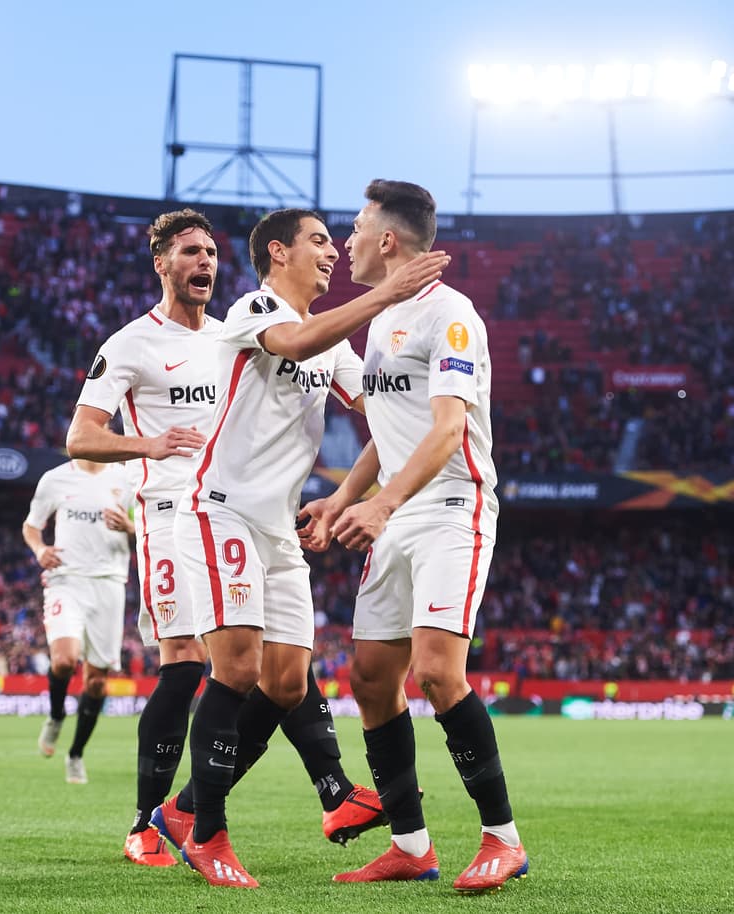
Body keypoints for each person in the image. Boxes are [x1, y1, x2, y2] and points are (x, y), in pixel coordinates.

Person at [68, 208, 391, 870]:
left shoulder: (237, 332)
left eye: (211, 252)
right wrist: (151, 444)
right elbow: (80, 437)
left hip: (267, 518)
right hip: (183, 508)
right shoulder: (156, 337)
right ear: (162, 262)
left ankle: (275, 797)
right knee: (194, 661)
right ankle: (157, 823)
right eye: (191, 251)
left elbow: (370, 399)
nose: (205, 262)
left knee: (283, 673)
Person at [157, 207, 449, 887]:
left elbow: (387, 414)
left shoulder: (336, 348)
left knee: (287, 681)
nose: (331, 252)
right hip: (221, 512)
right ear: (278, 251)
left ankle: (184, 809)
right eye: (318, 240)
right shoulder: (253, 309)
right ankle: (209, 835)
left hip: (279, 529)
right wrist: (386, 293)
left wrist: (443, 403)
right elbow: (293, 342)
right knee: (236, 667)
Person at [300, 180, 528, 893]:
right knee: (371, 678)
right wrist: (344, 497)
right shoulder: (382, 319)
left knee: (435, 672)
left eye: (356, 228)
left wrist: (383, 504)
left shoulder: (450, 314)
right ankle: (410, 845)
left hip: (451, 506)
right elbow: (389, 431)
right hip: (396, 513)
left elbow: (448, 430)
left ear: (388, 240)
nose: (347, 242)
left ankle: (503, 839)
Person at [23, 458, 135, 785]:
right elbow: (31, 526)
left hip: (109, 583)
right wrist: (39, 549)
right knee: (64, 660)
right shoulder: (55, 478)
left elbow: (150, 526)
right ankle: (56, 715)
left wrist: (130, 528)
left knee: (97, 682)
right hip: (66, 579)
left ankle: (75, 754)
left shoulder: (128, 478)